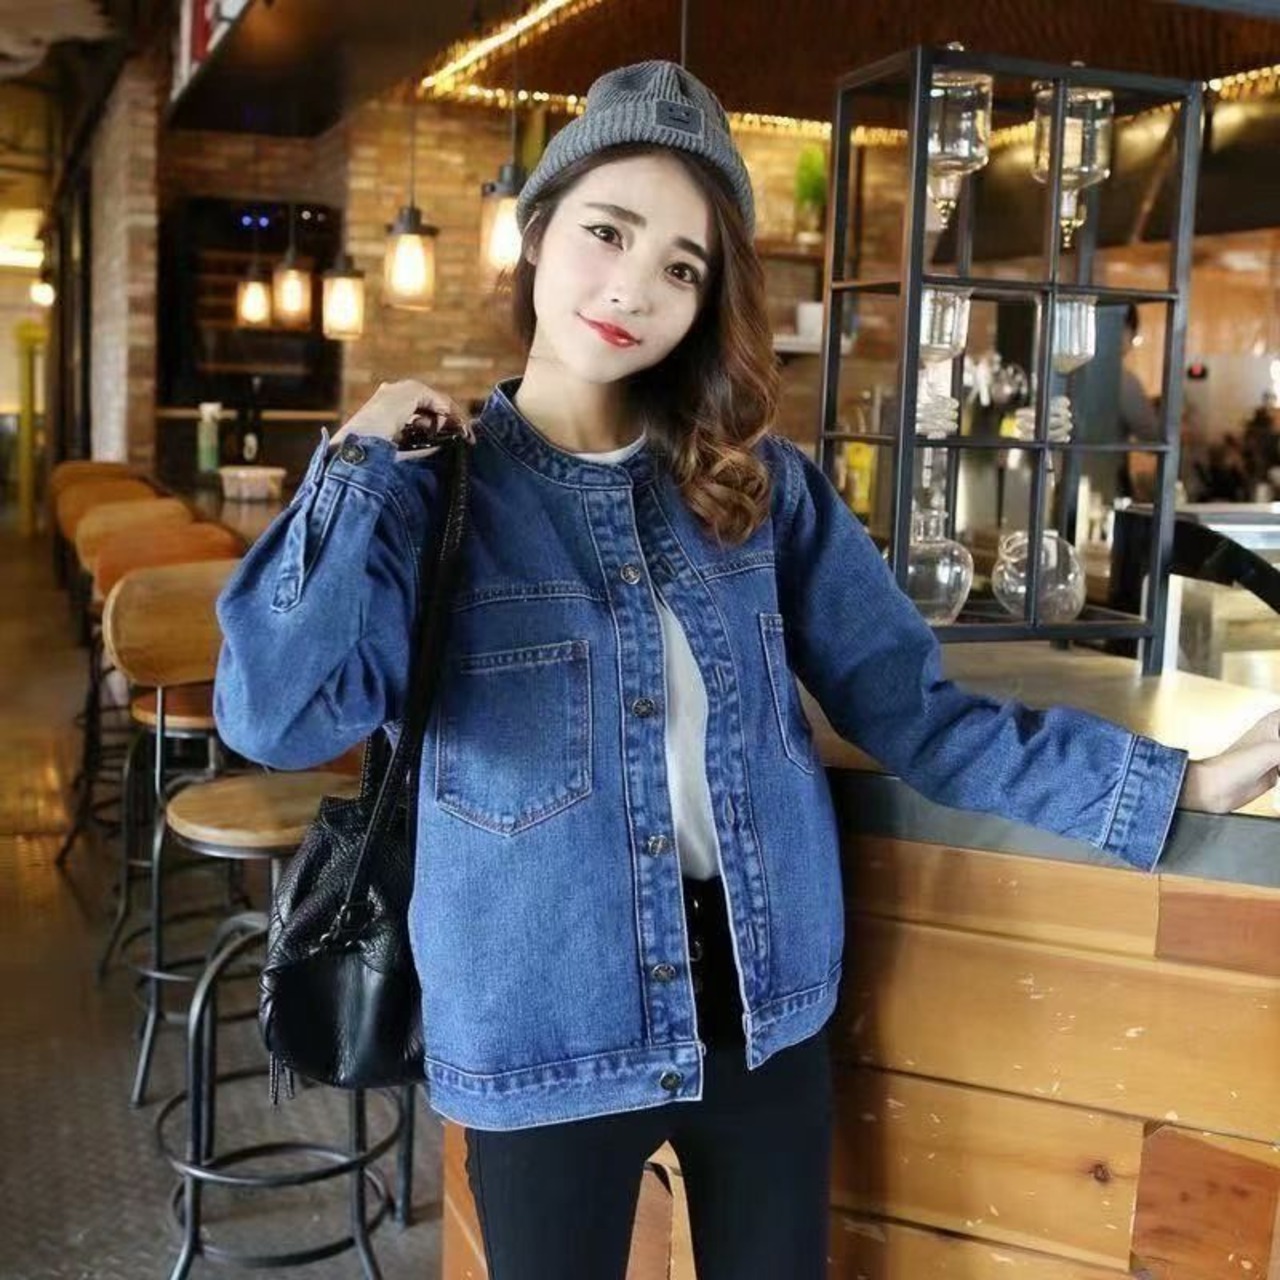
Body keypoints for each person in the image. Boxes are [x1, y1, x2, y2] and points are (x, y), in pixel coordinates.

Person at [212, 61, 1280, 1280]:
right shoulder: (427, 495)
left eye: (682, 266)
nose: (634, 286)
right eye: (607, 231)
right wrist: (352, 463)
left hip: (765, 1010)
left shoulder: (761, 491)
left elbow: (917, 713)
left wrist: (1169, 782)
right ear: (537, 230)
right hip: (543, 1027)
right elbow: (275, 715)